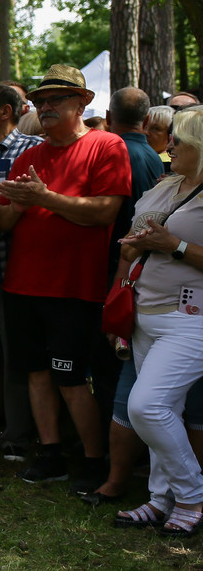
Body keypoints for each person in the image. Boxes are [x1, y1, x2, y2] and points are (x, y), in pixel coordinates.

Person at [0, 65, 131, 490]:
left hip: (73, 287)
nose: (46, 106)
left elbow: (107, 212)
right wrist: (17, 207)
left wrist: (45, 197)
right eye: (41, 100)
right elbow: (2, 221)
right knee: (35, 372)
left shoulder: (107, 146)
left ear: (83, 102)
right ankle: (50, 454)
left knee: (71, 377)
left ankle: (92, 461)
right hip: (21, 284)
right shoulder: (29, 156)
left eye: (57, 98)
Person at [113, 108, 203, 535]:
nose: (169, 146)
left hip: (190, 319)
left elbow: (175, 244)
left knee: (145, 406)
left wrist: (176, 244)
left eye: (178, 142)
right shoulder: (168, 182)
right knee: (164, 409)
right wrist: (135, 247)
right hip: (145, 312)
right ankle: (160, 498)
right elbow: (142, 241)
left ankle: (193, 496)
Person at [0, 84, 42, 457]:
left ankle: (16, 438)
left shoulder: (28, 150)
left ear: (5, 112)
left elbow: (21, 206)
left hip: (10, 271)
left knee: (17, 360)